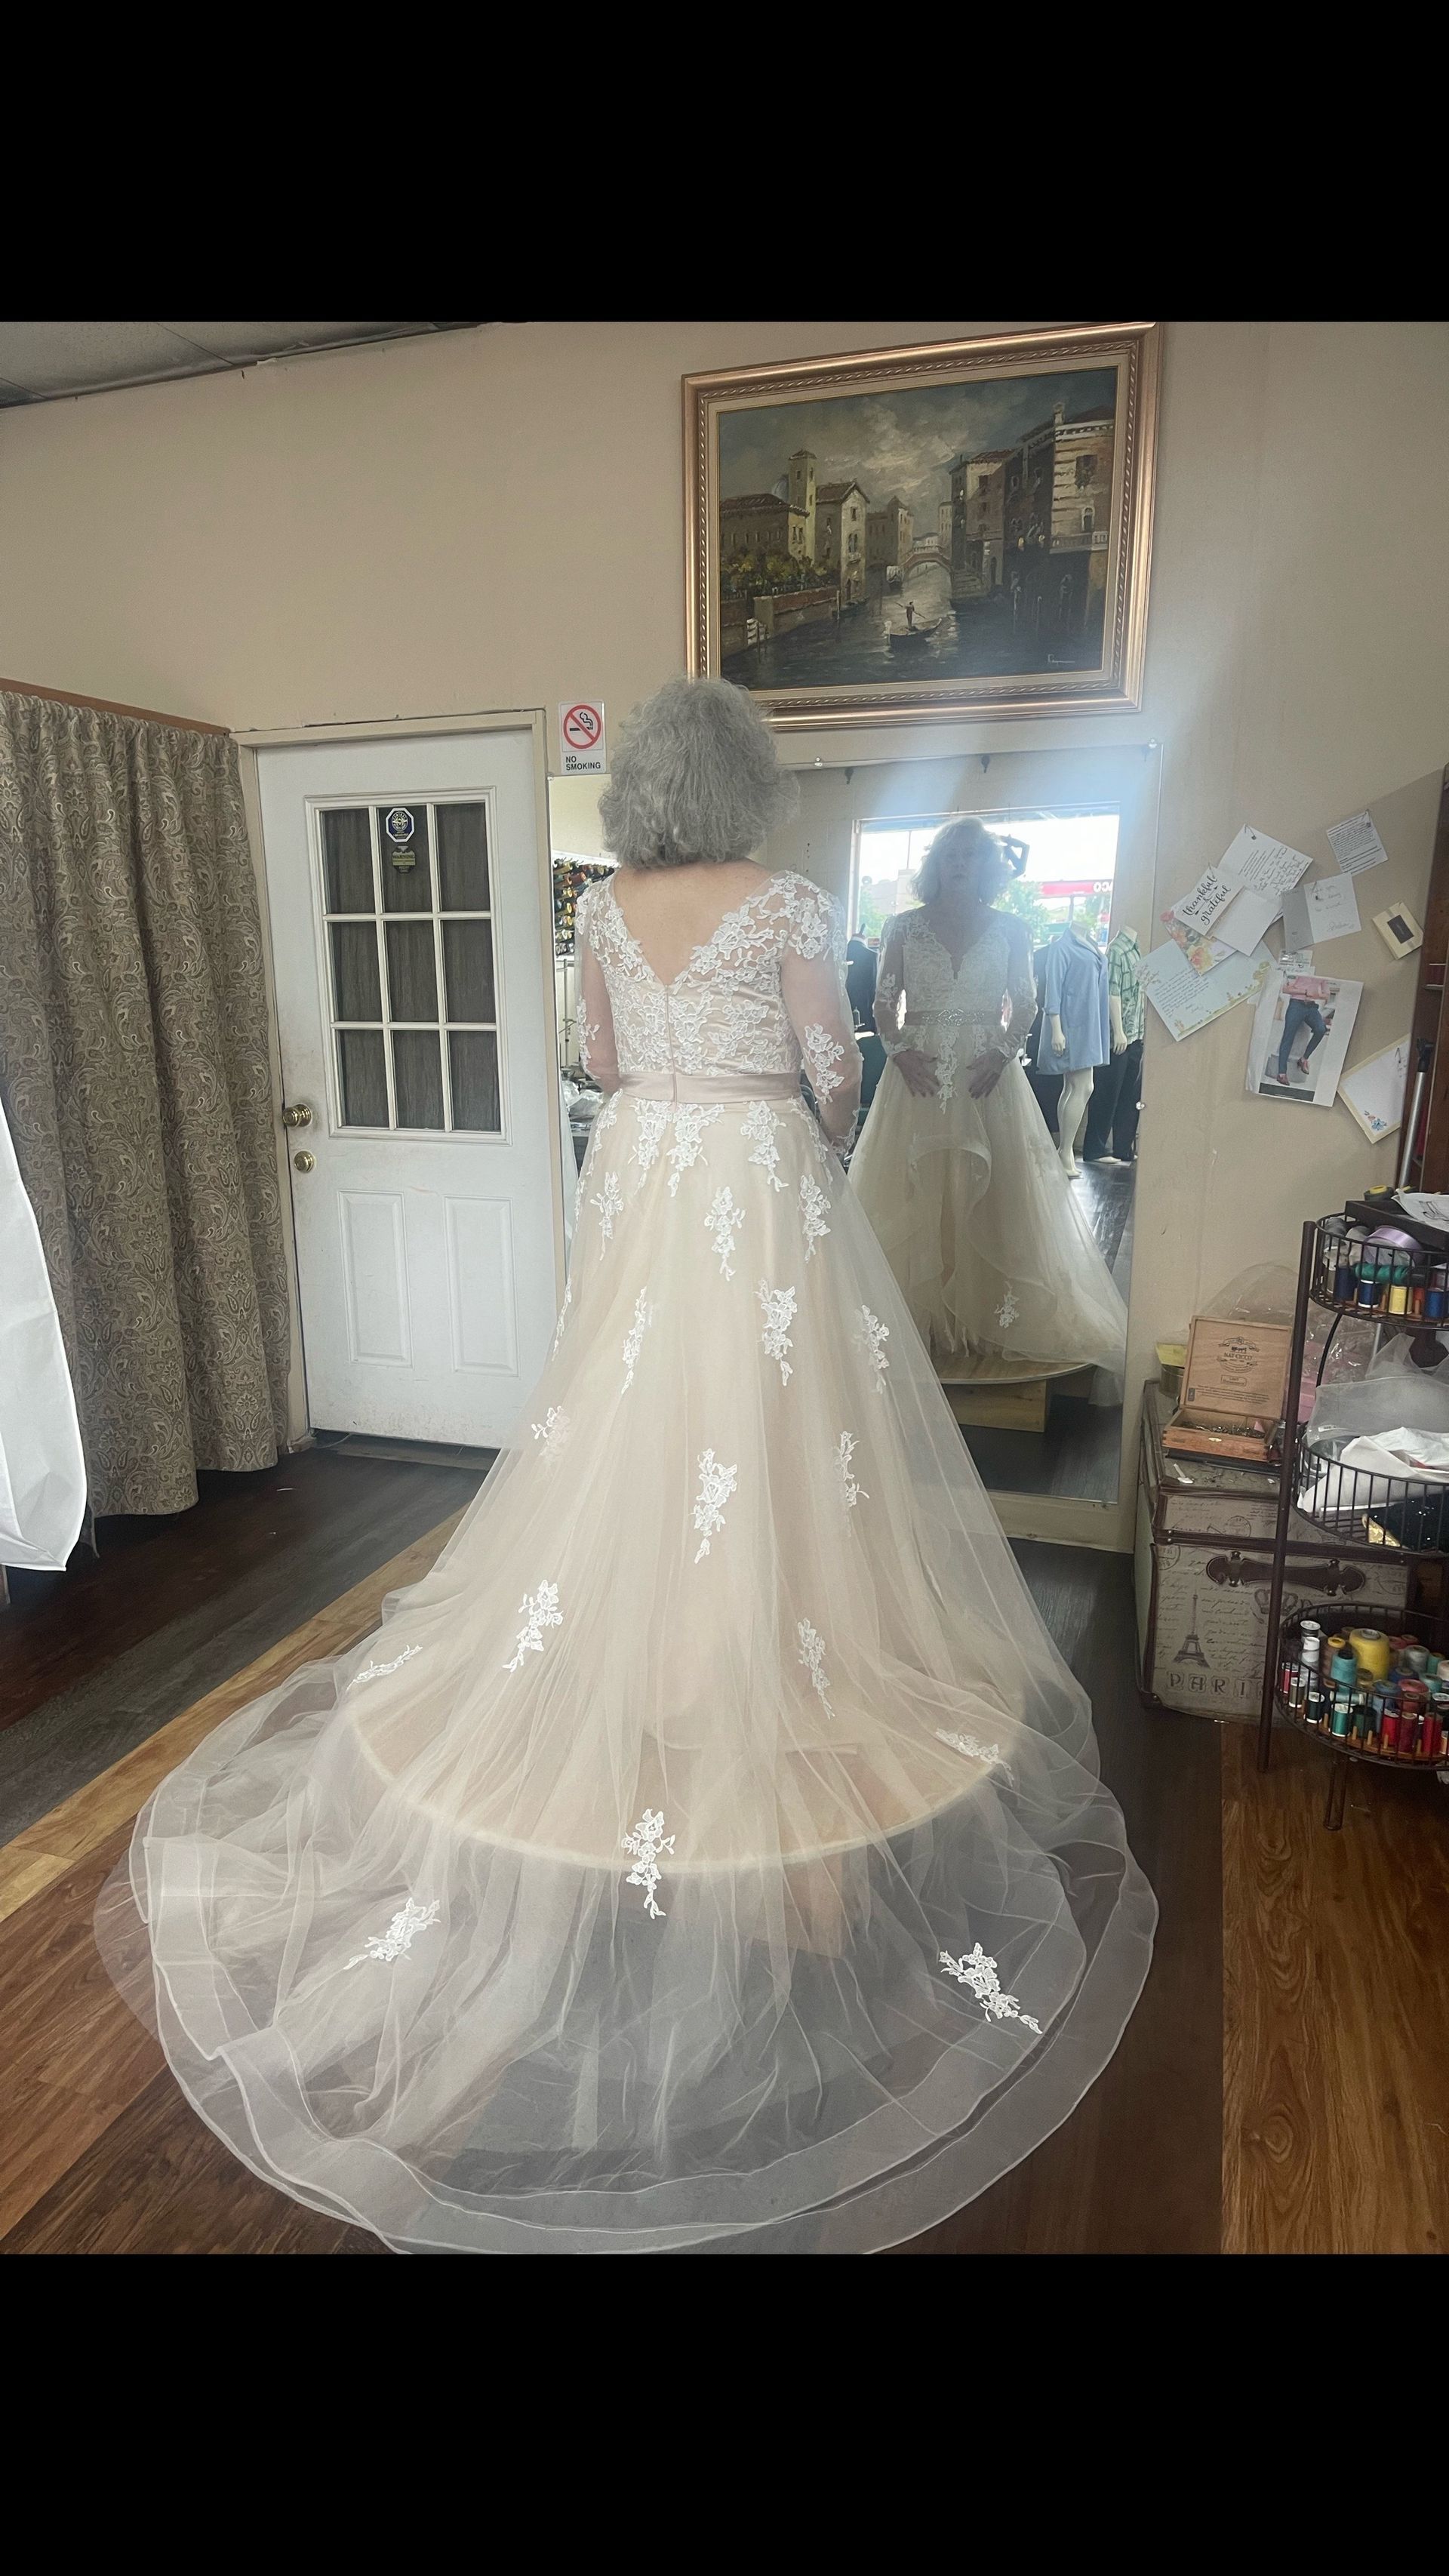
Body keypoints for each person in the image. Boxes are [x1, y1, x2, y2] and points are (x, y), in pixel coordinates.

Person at [101, 681, 1153, 2257]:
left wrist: (671, 1090)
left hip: (646, 1160)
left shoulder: (604, 909)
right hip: (747, 1161)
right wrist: (806, 1110)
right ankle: (753, 1659)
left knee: (633, 1419)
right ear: (744, 783)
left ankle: (649, 1659)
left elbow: (595, 1053)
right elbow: (833, 1064)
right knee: (773, 1433)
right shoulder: (788, 895)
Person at [849, 819, 1128, 1377]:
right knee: (915, 1188)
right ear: (936, 863)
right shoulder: (902, 926)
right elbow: (884, 1002)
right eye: (952, 853)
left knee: (997, 1190)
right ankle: (919, 1320)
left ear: (989, 866)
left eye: (973, 855)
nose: (961, 863)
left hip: (986, 1076)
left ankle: (985, 1319)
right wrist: (899, 1050)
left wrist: (1002, 1052)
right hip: (920, 1076)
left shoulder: (1013, 928)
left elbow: (1024, 1001)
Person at [1270, 977, 1333, 1085]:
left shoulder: (1322, 977)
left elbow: (1327, 995)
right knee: (1288, 1037)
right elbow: (1286, 989)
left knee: (1321, 1029)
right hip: (1296, 1005)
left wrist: (1315, 994)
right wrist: (1306, 992)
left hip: (1312, 1007)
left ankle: (1304, 1059)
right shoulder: (1301, 974)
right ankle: (1282, 1073)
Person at [845, 923, 877, 1028]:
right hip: (864, 1014)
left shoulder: (841, 952)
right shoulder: (871, 956)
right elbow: (872, 989)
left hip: (841, 1011)